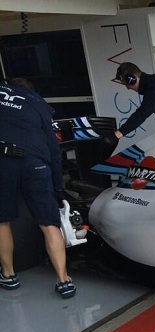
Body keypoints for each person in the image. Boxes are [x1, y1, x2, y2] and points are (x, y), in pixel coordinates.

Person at [0, 78, 76, 298]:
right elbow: (53, 148)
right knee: (48, 222)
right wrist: (57, 186)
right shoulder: (37, 102)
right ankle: (63, 280)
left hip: (2, 161)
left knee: (2, 221)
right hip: (35, 162)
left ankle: (9, 275)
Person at [102, 62, 155, 149]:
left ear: (132, 79)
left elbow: (141, 114)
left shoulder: (154, 90)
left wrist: (116, 135)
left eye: (127, 84)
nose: (128, 88)